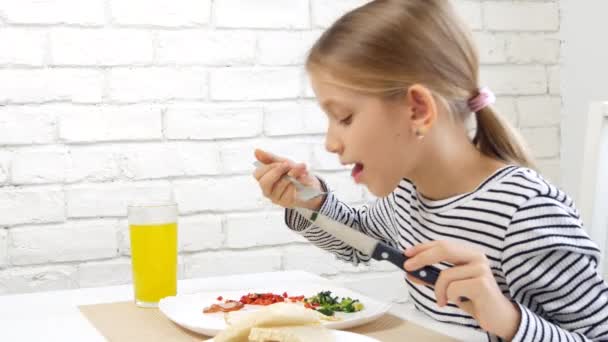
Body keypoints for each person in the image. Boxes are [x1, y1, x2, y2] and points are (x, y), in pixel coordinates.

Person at [252, 0, 608, 340]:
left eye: (344, 117)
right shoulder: (407, 193)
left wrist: (508, 319)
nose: (331, 142)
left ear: (418, 109)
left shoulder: (527, 213)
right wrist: (307, 201)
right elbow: (361, 242)